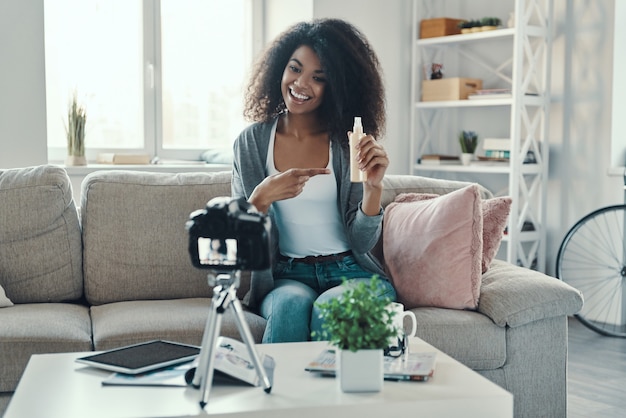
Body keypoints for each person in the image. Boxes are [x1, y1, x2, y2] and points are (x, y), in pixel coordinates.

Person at [231, 18, 396, 343]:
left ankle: (330, 395)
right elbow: (241, 248)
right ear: (279, 68)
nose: (301, 84)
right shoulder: (250, 144)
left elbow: (362, 243)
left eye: (318, 78)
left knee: (333, 307)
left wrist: (373, 190)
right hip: (288, 276)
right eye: (295, 69)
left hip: (352, 271)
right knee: (290, 306)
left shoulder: (349, 143)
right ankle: (276, 394)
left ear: (337, 87)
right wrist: (260, 200)